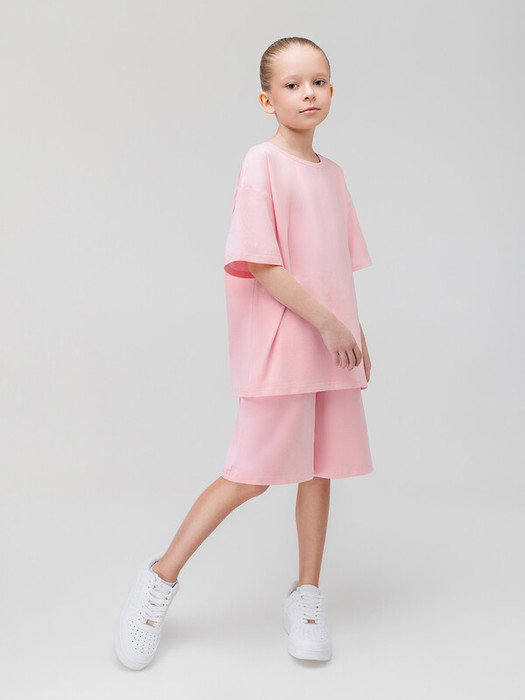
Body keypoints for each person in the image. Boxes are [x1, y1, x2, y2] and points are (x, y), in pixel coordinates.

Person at [115, 36, 374, 670]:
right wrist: (329, 325)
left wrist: (356, 332)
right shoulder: (262, 163)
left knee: (319, 469)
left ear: (332, 90)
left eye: (318, 81)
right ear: (267, 100)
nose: (308, 93)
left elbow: (339, 265)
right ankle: (157, 581)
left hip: (332, 345)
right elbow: (262, 263)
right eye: (292, 85)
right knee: (249, 474)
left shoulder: (334, 175)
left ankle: (306, 594)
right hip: (288, 342)